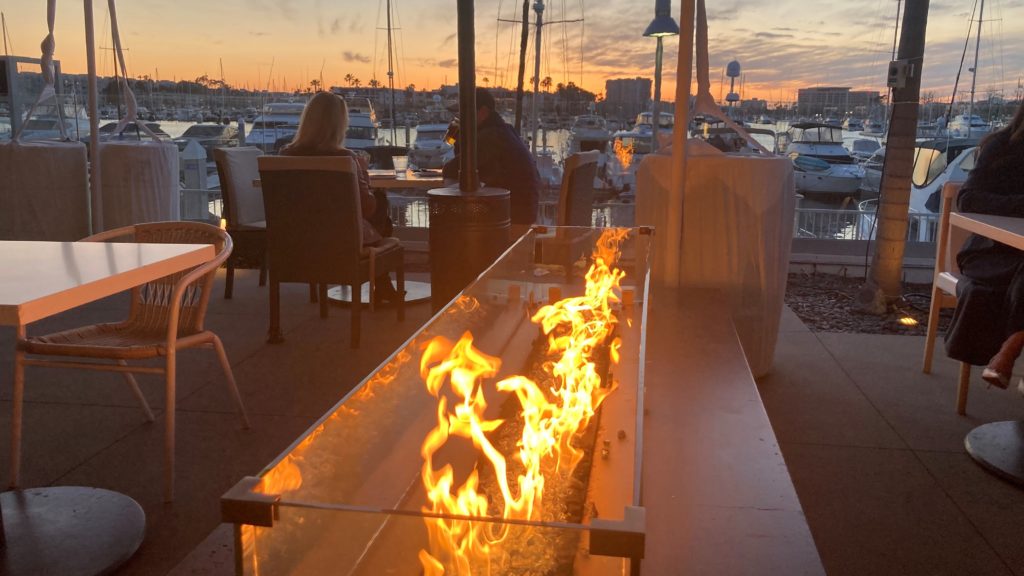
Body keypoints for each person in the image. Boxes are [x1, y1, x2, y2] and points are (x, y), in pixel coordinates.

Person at [279, 91, 400, 303]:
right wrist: (363, 174)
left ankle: (382, 284)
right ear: (339, 124)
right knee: (381, 202)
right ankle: (381, 281)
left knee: (379, 208)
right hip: (342, 242)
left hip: (297, 241)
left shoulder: (285, 155)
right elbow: (367, 208)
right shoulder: (345, 159)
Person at [944, 103, 1024, 388]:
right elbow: (968, 199)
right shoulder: (1002, 146)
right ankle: (1011, 347)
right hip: (992, 252)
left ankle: (1011, 346)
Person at [442, 87, 542, 225]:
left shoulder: (490, 137)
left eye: (464, 113)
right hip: (522, 212)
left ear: (482, 112)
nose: (460, 117)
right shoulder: (505, 131)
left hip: (511, 218)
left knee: (451, 220)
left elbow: (452, 169)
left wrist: (458, 138)